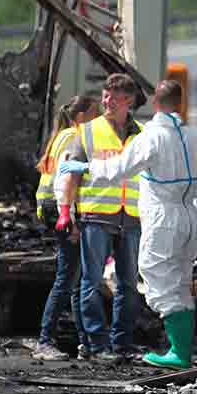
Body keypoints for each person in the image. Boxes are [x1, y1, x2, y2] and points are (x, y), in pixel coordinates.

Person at [61, 79, 197, 369]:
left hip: (162, 217)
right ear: (181, 103)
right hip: (190, 218)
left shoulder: (151, 137)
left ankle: (178, 353)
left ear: (155, 103)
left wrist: (87, 167)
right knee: (181, 282)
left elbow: (119, 169)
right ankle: (181, 350)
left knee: (159, 280)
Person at [59, 72, 144, 362]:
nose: (107, 102)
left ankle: (122, 344)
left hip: (132, 217)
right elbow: (71, 175)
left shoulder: (142, 134)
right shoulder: (88, 131)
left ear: (129, 101)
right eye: (105, 96)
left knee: (129, 285)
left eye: (114, 98)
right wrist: (66, 211)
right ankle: (97, 345)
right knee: (92, 282)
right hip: (96, 216)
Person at [32, 95, 99, 361]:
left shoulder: (61, 135)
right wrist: (69, 219)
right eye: (94, 112)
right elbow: (65, 182)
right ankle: (45, 341)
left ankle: (86, 343)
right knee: (67, 277)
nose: (98, 118)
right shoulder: (74, 137)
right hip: (61, 210)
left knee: (73, 278)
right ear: (81, 116)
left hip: (50, 207)